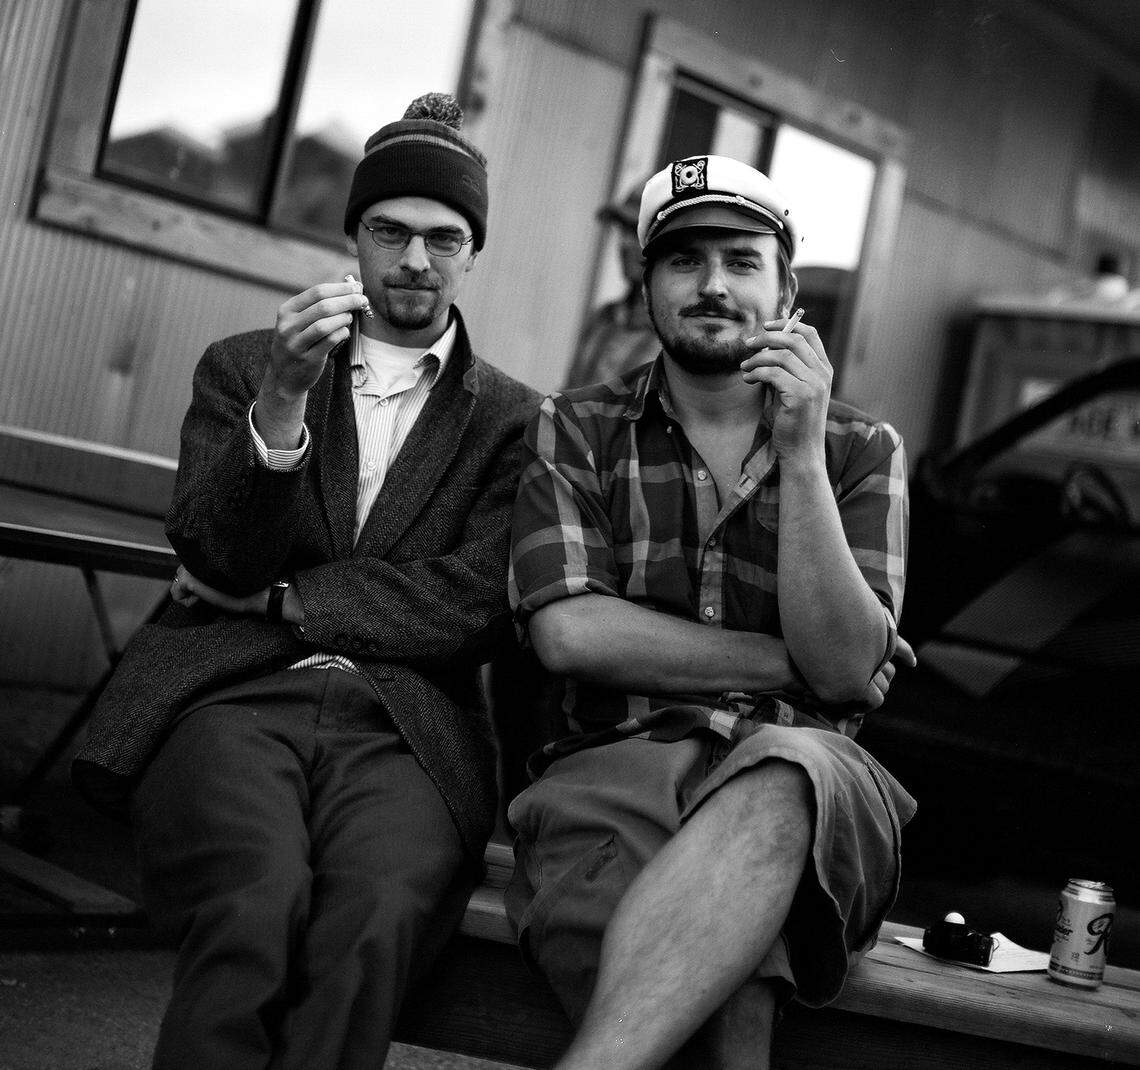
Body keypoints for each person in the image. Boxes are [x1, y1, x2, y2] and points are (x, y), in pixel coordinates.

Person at [72, 92, 539, 1070]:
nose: (416, 260)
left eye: (443, 237)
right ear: (354, 238)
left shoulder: (516, 420)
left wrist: (295, 600)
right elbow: (215, 559)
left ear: (473, 249)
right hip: (233, 689)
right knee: (251, 893)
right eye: (390, 231)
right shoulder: (249, 364)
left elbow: (475, 597)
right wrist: (283, 400)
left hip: (409, 720)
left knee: (373, 917)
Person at [506, 154, 917, 1069]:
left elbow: (846, 671)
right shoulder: (575, 426)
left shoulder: (859, 449)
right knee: (714, 982)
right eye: (684, 261)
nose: (713, 285)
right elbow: (570, 632)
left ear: (786, 289)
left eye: (741, 260)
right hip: (618, 766)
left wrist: (800, 454)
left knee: (785, 769)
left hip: (818, 782)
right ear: (646, 282)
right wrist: (789, 661)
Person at [562, 185, 659, 389]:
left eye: (636, 233)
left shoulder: (675, 336)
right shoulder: (604, 318)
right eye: (623, 231)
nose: (624, 244)